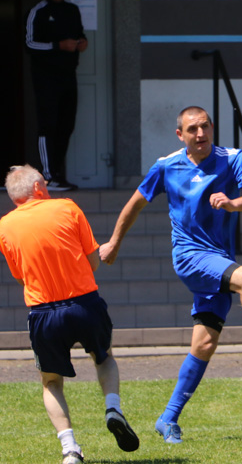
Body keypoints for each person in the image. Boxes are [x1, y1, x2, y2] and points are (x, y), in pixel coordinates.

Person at [99, 106, 242, 444]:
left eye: (205, 127)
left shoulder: (232, 159)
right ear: (180, 135)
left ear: (212, 128)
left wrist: (233, 203)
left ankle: (168, 418)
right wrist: (114, 242)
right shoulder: (166, 165)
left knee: (205, 342)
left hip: (218, 259)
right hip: (189, 257)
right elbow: (135, 204)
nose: (200, 134)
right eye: (192, 129)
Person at [0, 165, 138, 464]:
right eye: (45, 186)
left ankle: (70, 449)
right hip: (85, 303)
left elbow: (21, 276)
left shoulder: (5, 226)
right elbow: (93, 262)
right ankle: (112, 407)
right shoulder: (67, 208)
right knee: (104, 357)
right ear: (37, 189)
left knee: (51, 383)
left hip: (43, 312)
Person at [25, 0, 88, 191]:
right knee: (48, 126)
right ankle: (48, 177)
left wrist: (82, 43)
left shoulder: (72, 10)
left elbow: (81, 35)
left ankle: (57, 174)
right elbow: (29, 44)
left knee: (66, 125)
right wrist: (58, 46)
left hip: (68, 77)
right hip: (45, 79)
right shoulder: (38, 11)